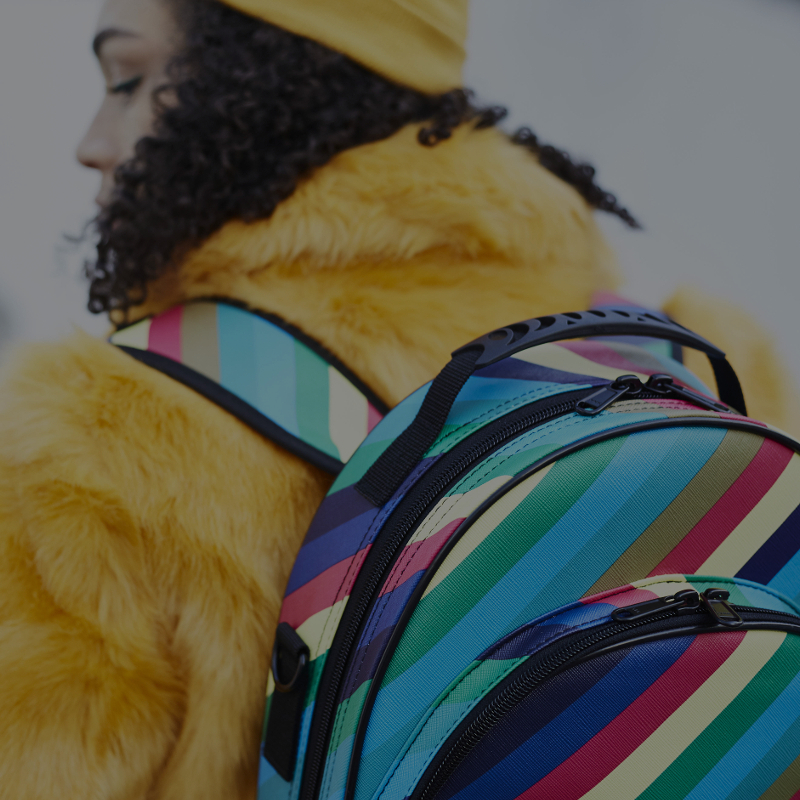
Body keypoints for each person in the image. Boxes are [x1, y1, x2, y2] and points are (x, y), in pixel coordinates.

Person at [1, 0, 795, 797]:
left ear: (261, 87)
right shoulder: (700, 363)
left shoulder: (97, 434)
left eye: (129, 79)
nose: (91, 144)